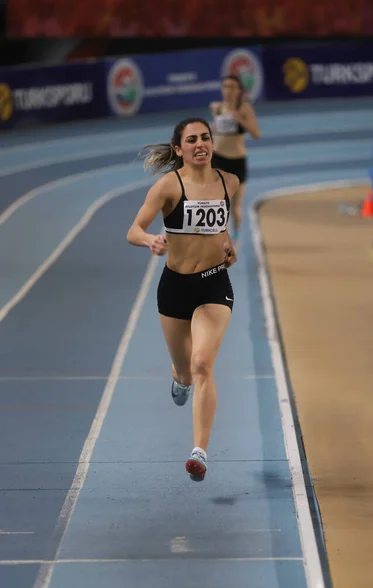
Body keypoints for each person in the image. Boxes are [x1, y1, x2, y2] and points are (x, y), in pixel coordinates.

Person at [126, 117, 240, 482]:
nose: (201, 144)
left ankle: (199, 452)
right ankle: (181, 380)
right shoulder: (167, 187)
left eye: (205, 137)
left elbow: (218, 225)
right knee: (185, 370)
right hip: (175, 287)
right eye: (192, 140)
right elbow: (134, 230)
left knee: (203, 363)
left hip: (214, 284)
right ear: (179, 149)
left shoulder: (229, 182)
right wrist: (151, 241)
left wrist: (227, 243)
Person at [209, 74, 261, 244]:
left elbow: (256, 134)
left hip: (237, 161)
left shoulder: (245, 109)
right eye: (225, 86)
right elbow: (213, 131)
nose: (228, 90)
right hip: (218, 159)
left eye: (232, 87)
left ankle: (236, 235)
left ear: (239, 90)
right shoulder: (217, 108)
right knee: (218, 201)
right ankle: (218, 235)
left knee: (235, 206)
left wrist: (239, 118)